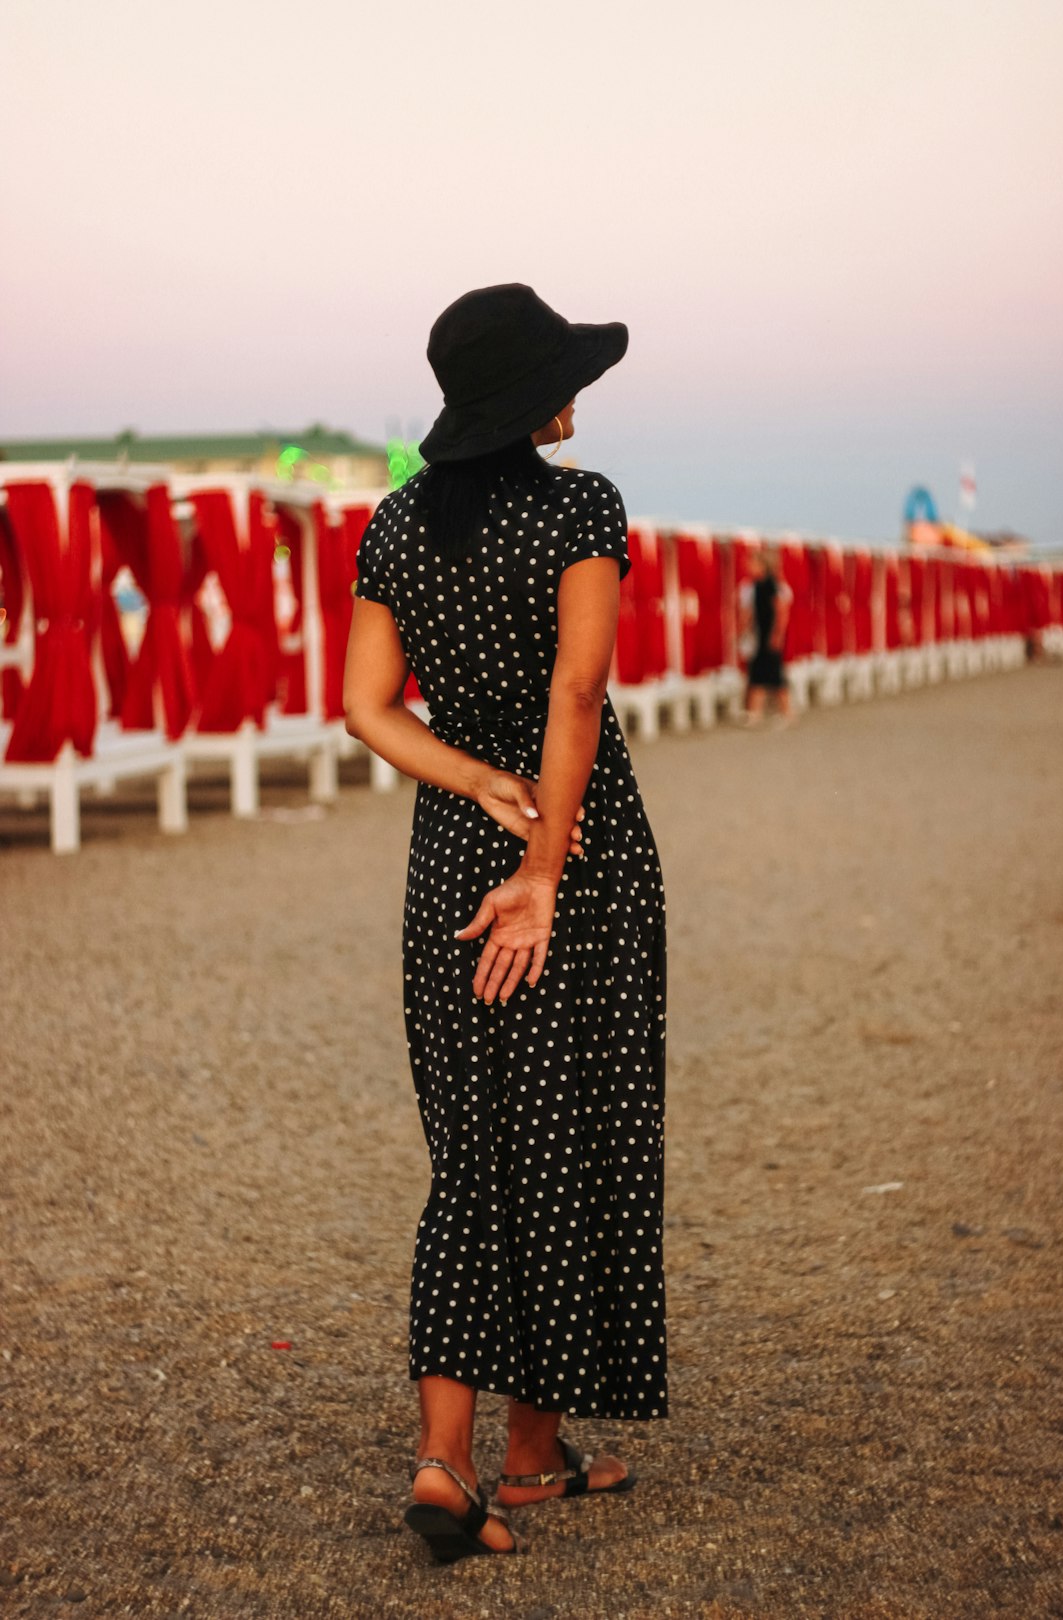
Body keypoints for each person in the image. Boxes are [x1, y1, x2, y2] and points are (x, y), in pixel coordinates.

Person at [342, 284, 667, 1565]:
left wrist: (473, 782)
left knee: (474, 1143)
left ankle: (462, 1459)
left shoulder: (392, 527)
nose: (574, 390)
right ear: (529, 397)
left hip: (446, 861)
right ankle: (522, 1451)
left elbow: (369, 709)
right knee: (575, 1130)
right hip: (577, 855)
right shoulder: (582, 507)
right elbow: (577, 690)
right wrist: (539, 864)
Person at [738, 547, 794, 726]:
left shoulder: (771, 586)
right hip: (760, 635)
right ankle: (755, 713)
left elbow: (781, 612)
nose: (748, 566)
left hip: (768, 636)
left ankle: (786, 713)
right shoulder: (755, 586)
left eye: (752, 563)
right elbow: (748, 614)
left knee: (774, 676)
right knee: (757, 674)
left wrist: (777, 635)